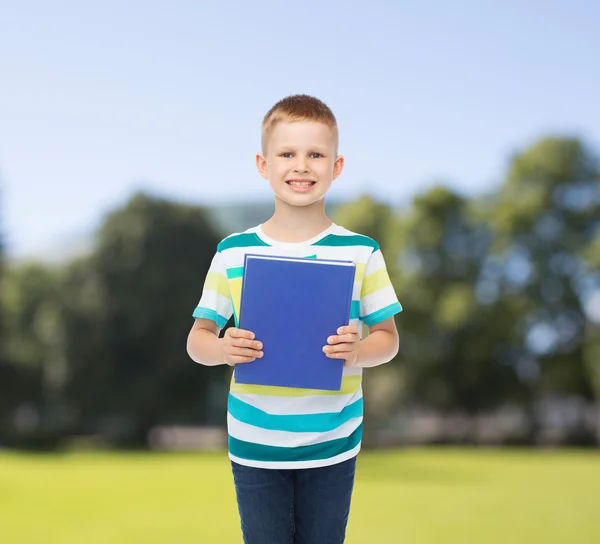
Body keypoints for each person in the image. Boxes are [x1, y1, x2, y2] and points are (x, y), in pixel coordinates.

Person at [186, 94, 402, 544]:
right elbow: (197, 340)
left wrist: (360, 350)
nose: (301, 166)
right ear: (264, 165)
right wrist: (223, 347)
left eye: (315, 155)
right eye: (287, 153)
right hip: (254, 443)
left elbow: (388, 339)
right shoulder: (233, 251)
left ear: (336, 166)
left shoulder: (362, 251)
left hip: (333, 442)